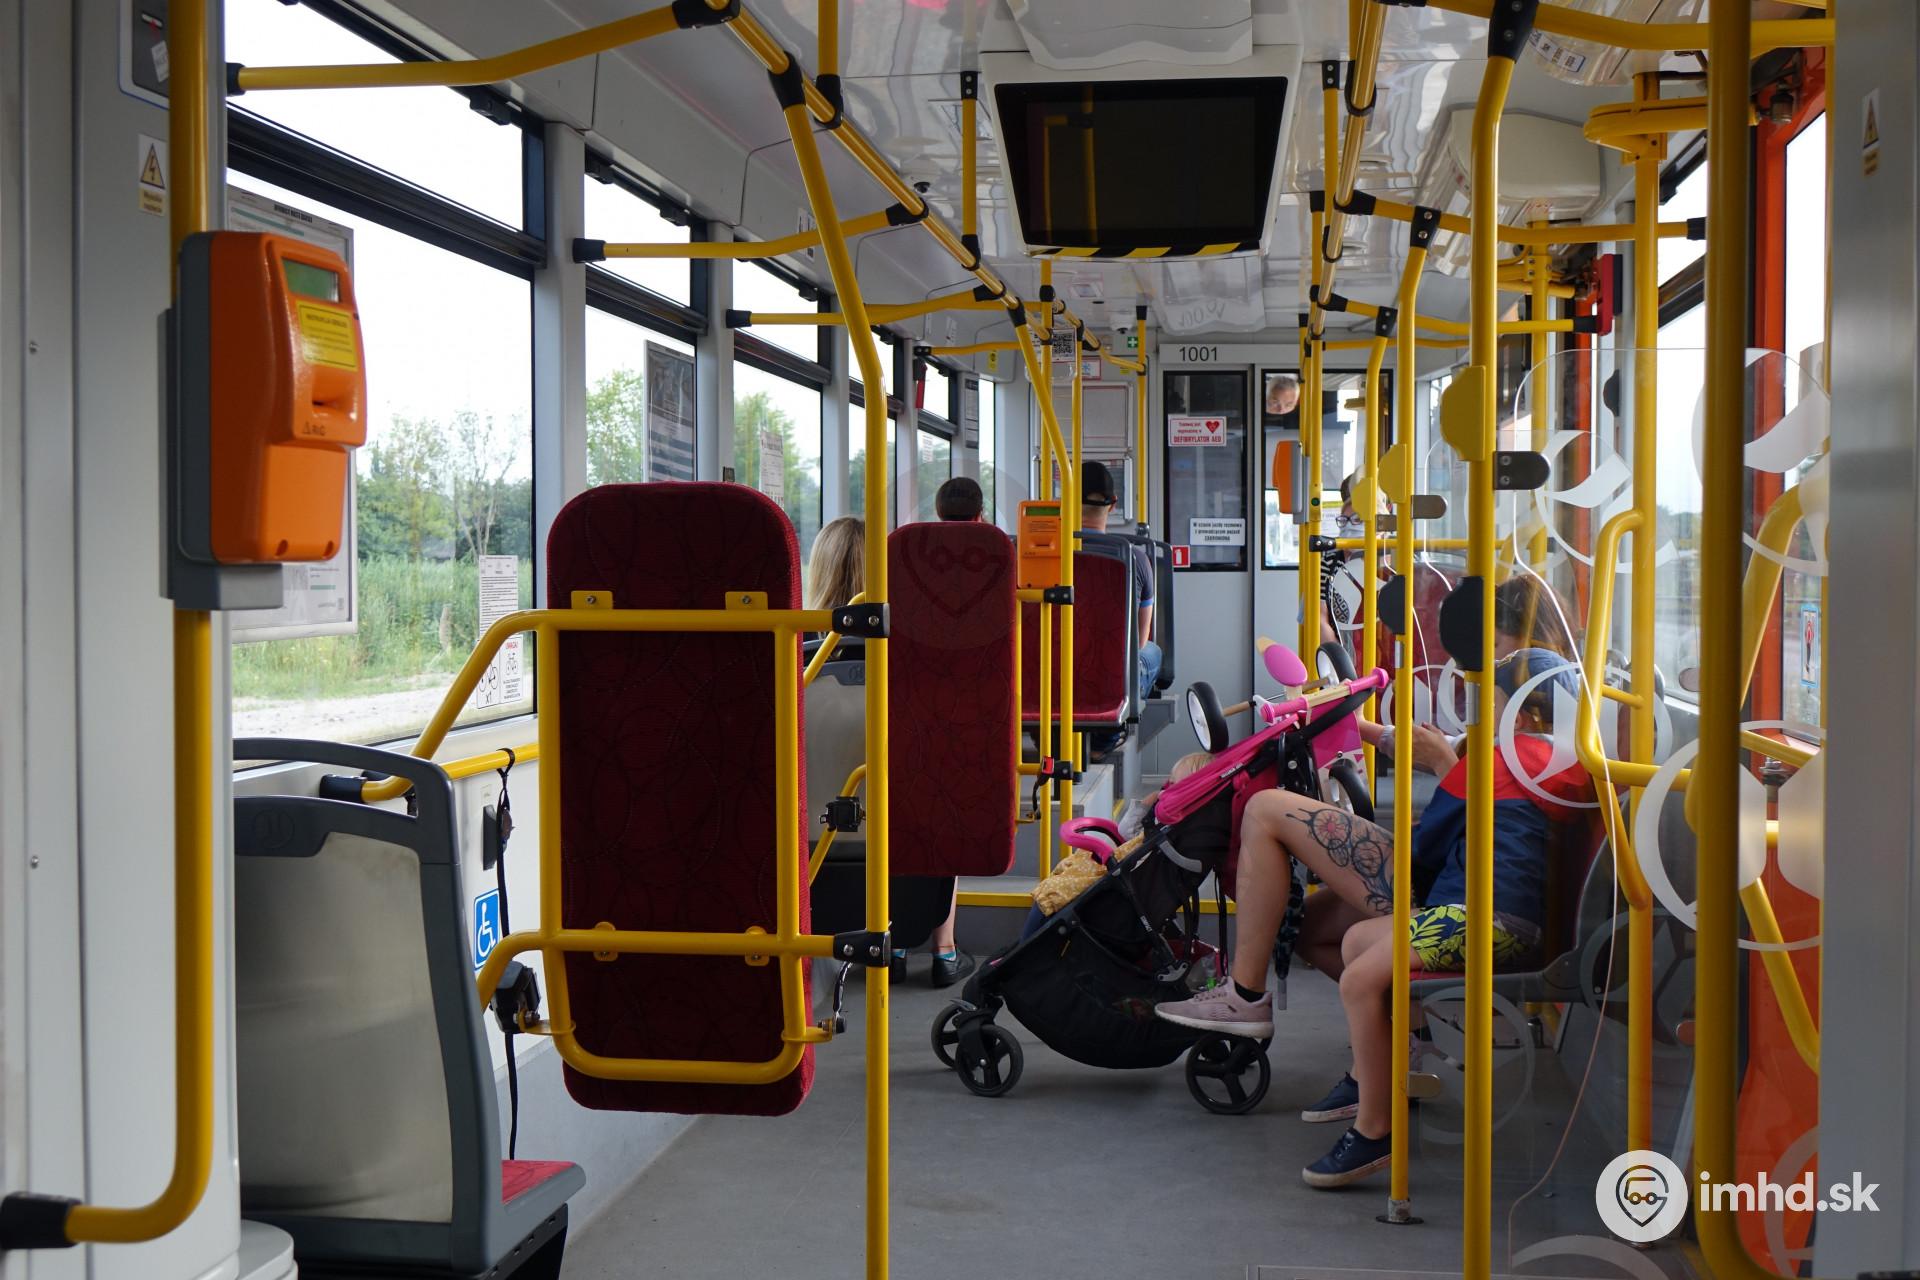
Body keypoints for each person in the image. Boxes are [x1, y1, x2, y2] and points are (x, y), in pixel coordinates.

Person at [1152, 647, 1592, 1188]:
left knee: (1356, 969)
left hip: (1484, 915)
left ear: (1521, 715)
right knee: (1348, 938)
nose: (1485, 717)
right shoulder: (1554, 764)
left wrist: (1443, 772)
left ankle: (1375, 1127)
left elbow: (1426, 851)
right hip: (1503, 913)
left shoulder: (1497, 764)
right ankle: (1383, 1063)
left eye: (1494, 706)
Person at [1081, 461, 1161, 704]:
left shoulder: (1045, 557)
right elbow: (1140, 640)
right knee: (1152, 650)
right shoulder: (1136, 559)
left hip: (1054, 679)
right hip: (1114, 683)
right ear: (1113, 503)